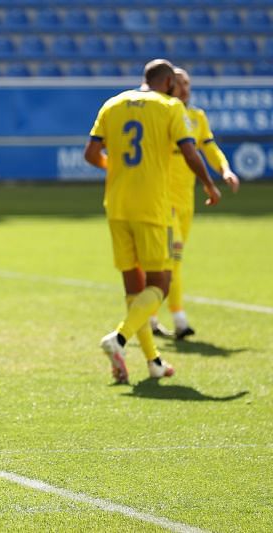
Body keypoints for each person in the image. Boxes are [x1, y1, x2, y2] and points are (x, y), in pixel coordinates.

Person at [84, 59, 222, 384]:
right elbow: (190, 153)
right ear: (170, 82)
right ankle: (118, 339)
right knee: (160, 284)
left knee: (134, 290)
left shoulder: (112, 104)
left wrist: (117, 170)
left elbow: (91, 154)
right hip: (152, 207)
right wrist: (209, 183)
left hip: (117, 205)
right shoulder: (170, 106)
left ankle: (153, 362)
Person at [150, 67, 240, 340]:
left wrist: (224, 169)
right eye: (179, 83)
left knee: (168, 261)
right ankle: (179, 319)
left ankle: (149, 318)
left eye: (187, 83)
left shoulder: (197, 117)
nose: (184, 88)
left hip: (186, 200)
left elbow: (209, 147)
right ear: (168, 85)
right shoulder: (162, 113)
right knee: (172, 260)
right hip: (162, 199)